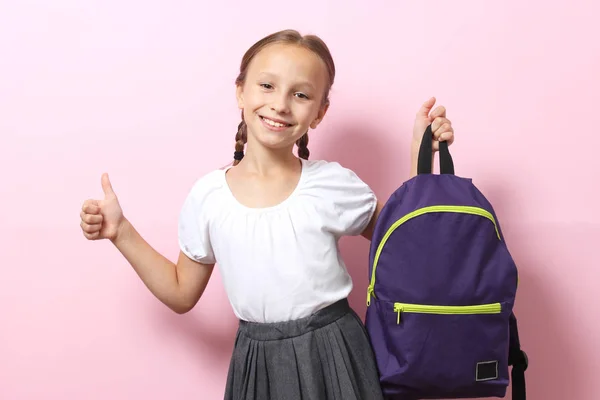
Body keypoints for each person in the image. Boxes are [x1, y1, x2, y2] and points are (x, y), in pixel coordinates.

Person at [79, 29, 455, 400]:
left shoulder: (331, 183)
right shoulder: (209, 196)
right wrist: (121, 232)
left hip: (336, 354)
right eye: (267, 86)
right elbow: (181, 292)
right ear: (240, 91)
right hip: (257, 363)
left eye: (301, 94)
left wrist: (419, 157)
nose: (280, 105)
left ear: (319, 113)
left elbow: (406, 244)